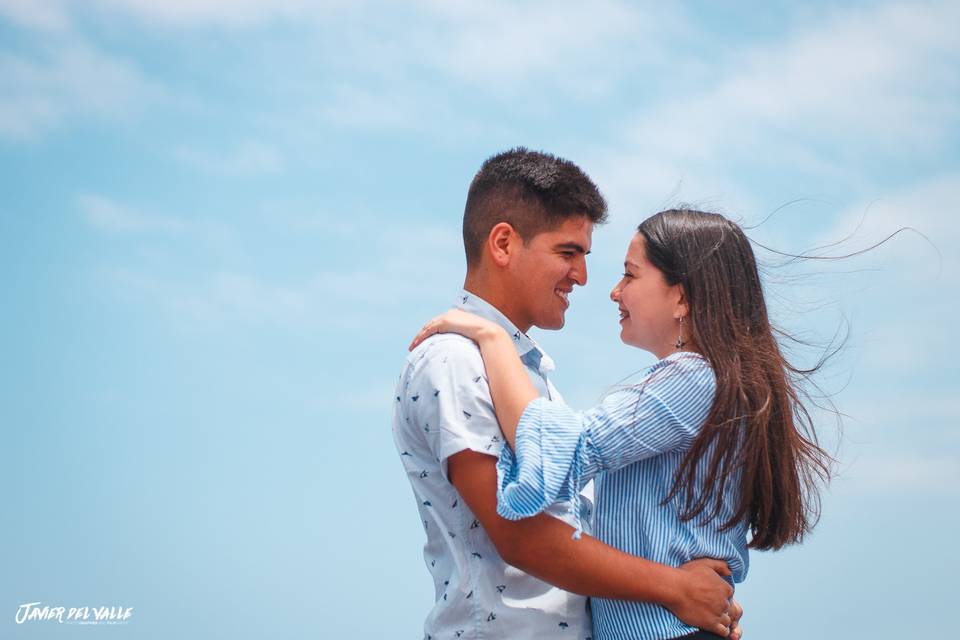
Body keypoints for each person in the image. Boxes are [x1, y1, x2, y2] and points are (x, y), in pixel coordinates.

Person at [411, 208, 833, 639]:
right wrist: (680, 586)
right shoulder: (709, 381)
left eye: (630, 276)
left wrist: (493, 338)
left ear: (682, 298)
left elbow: (564, 452)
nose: (614, 292)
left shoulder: (692, 379)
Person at [393, 150, 742, 640]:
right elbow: (521, 536)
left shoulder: (522, 374)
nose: (583, 277)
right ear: (503, 243)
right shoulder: (454, 361)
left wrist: (690, 565)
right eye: (567, 253)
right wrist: (676, 588)